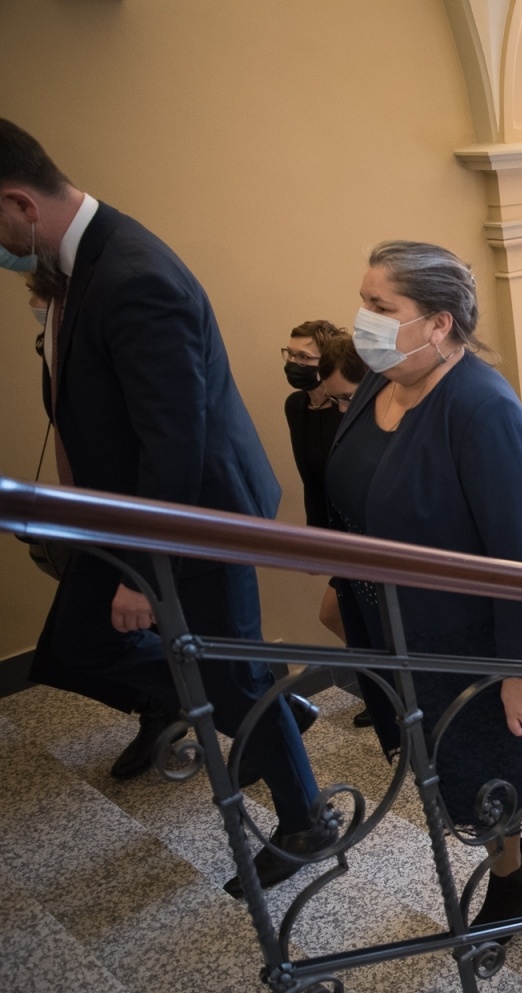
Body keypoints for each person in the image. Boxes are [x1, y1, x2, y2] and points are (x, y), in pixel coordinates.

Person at [0, 120, 327, 894]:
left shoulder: (132, 276)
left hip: (196, 515)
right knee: (75, 650)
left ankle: (306, 818)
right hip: (129, 511)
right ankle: (244, 711)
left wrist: (144, 575)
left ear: (18, 204)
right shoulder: (79, 263)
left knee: (231, 677)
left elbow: (175, 442)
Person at [325, 240, 522, 931]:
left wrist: (521, 670)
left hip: (478, 639)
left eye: (381, 307)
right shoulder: (382, 379)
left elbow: (520, 551)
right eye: (364, 302)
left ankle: (514, 876)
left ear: (439, 322)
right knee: (449, 763)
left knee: (485, 771)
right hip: (401, 628)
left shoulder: (482, 407)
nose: (364, 319)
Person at [282, 321, 367, 645]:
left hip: (358, 530)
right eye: (290, 354)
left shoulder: (349, 407)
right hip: (333, 529)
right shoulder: (295, 407)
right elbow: (311, 480)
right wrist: (314, 537)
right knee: (339, 616)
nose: (294, 363)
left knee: (333, 613)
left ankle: (383, 670)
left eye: (304, 357)